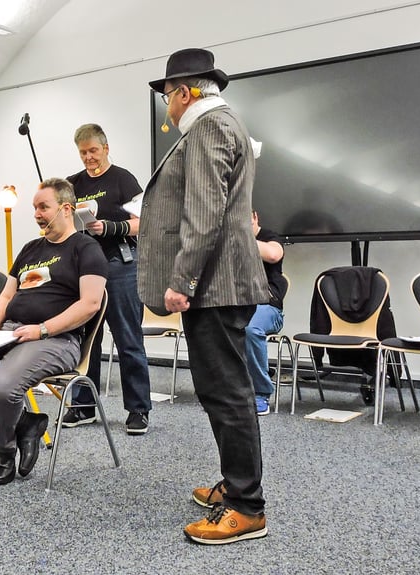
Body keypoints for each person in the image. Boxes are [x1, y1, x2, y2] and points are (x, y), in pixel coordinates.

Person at [137, 48, 269, 545]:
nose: (167, 109)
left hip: (215, 285)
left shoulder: (209, 126)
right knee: (222, 391)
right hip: (220, 283)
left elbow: (205, 212)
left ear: (184, 92)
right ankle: (236, 486)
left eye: (168, 97)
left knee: (227, 393)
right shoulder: (221, 124)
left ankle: (246, 507)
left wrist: (182, 280)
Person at [0, 178, 107, 485]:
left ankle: (2, 451)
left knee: (0, 388)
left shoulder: (86, 248)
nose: (37, 214)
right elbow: (6, 296)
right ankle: (25, 423)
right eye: (35, 208)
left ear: (66, 209)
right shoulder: (30, 249)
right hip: (10, 333)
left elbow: (91, 304)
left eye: (43, 207)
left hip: (56, 339)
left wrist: (42, 329)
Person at [61, 123, 153, 435]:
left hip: (121, 266)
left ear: (106, 148)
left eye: (93, 151)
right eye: (83, 152)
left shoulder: (123, 180)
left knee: (128, 338)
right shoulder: (74, 184)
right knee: (86, 340)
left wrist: (110, 228)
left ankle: (138, 409)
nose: (88, 157)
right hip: (86, 271)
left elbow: (145, 222)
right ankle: (84, 405)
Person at [246, 211, 286, 416]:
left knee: (250, 329)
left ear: (255, 217)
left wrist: (239, 235)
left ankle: (261, 392)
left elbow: (273, 254)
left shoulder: (270, 237)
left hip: (268, 309)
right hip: (239, 305)